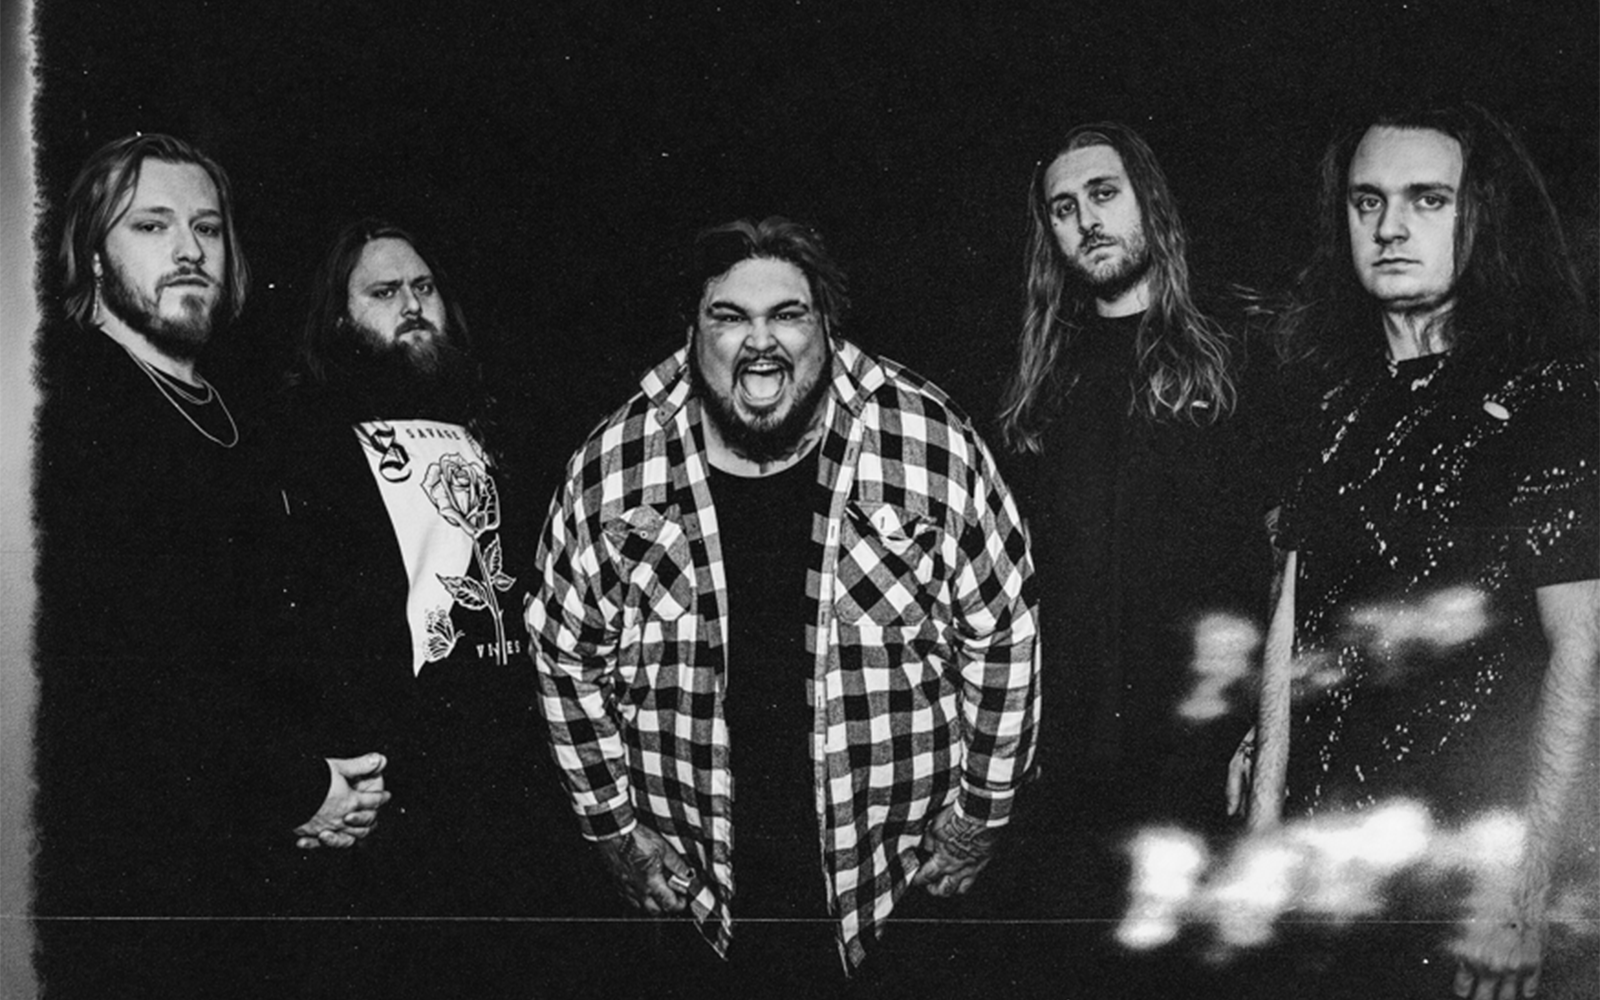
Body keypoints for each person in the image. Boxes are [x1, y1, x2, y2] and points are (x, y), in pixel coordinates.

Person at [528, 217, 1039, 990]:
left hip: (895, 892)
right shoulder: (615, 465)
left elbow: (1003, 634)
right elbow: (564, 653)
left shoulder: (927, 438)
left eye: (788, 314)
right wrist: (613, 828)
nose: (759, 341)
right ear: (693, 334)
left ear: (826, 327)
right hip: (700, 900)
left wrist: (981, 814)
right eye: (729, 317)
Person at [1253, 102, 1600, 1000]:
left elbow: (1584, 653)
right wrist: (1261, 834)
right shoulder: (1333, 400)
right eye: (1367, 201)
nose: (1390, 226)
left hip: (1464, 881)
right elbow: (1291, 621)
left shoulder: (1550, 398)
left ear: (1483, 215)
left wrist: (1521, 902)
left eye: (1427, 199)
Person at [32, 133, 379, 997]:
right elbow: (118, 678)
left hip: (246, 875)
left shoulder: (227, 407)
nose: (189, 250)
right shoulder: (72, 412)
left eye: (208, 228)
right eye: (152, 225)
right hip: (138, 892)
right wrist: (298, 786)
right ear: (94, 255)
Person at [251, 218, 589, 995]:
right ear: (340, 320)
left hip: (515, 797)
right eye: (384, 292)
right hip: (396, 811)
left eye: (423, 287)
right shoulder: (306, 447)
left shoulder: (499, 433)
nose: (412, 305)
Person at [992, 122, 1273, 909]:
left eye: (1104, 194)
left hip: (1205, 761)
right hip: (1071, 772)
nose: (1087, 220)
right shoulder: (1043, 377)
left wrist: (1267, 732)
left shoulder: (1239, 349)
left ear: (1149, 200)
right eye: (1064, 208)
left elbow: (1293, 561)